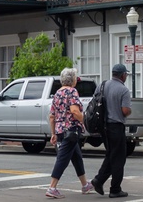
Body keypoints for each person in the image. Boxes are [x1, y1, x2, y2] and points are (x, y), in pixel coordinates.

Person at [45, 68, 94, 199]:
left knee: (76, 157)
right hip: (71, 130)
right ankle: (52, 187)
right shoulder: (72, 91)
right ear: (73, 80)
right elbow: (75, 111)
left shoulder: (57, 93)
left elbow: (51, 116)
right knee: (63, 158)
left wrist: (53, 133)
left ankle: (85, 185)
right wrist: (86, 121)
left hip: (60, 130)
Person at [90, 64, 132, 198]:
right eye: (126, 74)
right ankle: (115, 189)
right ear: (122, 75)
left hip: (103, 127)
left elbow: (95, 102)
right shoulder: (123, 90)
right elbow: (125, 111)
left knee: (111, 154)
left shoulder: (102, 85)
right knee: (119, 158)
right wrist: (129, 111)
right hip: (116, 127)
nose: (126, 76)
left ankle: (98, 180)